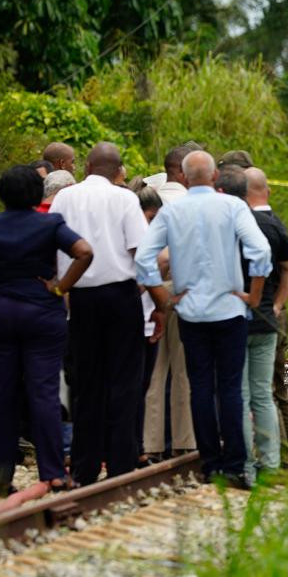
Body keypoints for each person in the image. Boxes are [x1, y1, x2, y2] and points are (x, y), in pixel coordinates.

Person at [0, 165, 93, 496]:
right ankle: (53, 473)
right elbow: (84, 252)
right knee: (43, 393)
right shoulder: (50, 223)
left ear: (1, 195)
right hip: (42, 312)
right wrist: (59, 287)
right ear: (36, 195)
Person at [135, 150, 272, 487]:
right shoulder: (233, 207)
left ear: (183, 177)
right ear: (214, 177)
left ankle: (210, 464)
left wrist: (163, 298)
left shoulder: (173, 211)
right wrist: (254, 296)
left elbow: (144, 258)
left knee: (199, 387)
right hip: (229, 311)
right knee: (229, 388)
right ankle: (237, 465)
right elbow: (261, 250)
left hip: (191, 312)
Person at [49, 142, 158, 486]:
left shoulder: (65, 197)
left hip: (79, 298)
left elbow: (55, 247)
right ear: (118, 171)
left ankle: (85, 467)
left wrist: (61, 289)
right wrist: (145, 291)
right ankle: (122, 465)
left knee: (86, 382)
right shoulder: (125, 198)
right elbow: (141, 253)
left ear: (85, 167)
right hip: (121, 296)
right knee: (124, 382)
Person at [221, 167, 288, 478]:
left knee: (242, 395)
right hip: (268, 320)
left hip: (237, 318)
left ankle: (246, 466)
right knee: (266, 394)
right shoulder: (271, 225)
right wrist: (278, 303)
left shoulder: (234, 225)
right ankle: (274, 462)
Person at [142, 145, 199, 462]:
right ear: (182, 170)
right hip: (178, 288)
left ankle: (150, 443)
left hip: (148, 289)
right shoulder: (186, 203)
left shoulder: (150, 191)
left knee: (155, 370)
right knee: (183, 370)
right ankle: (183, 441)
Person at [133, 184, 164, 460]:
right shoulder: (137, 237)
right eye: (152, 218)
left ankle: (138, 445)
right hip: (135, 319)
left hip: (146, 319)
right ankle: (133, 446)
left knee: (143, 385)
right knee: (133, 385)